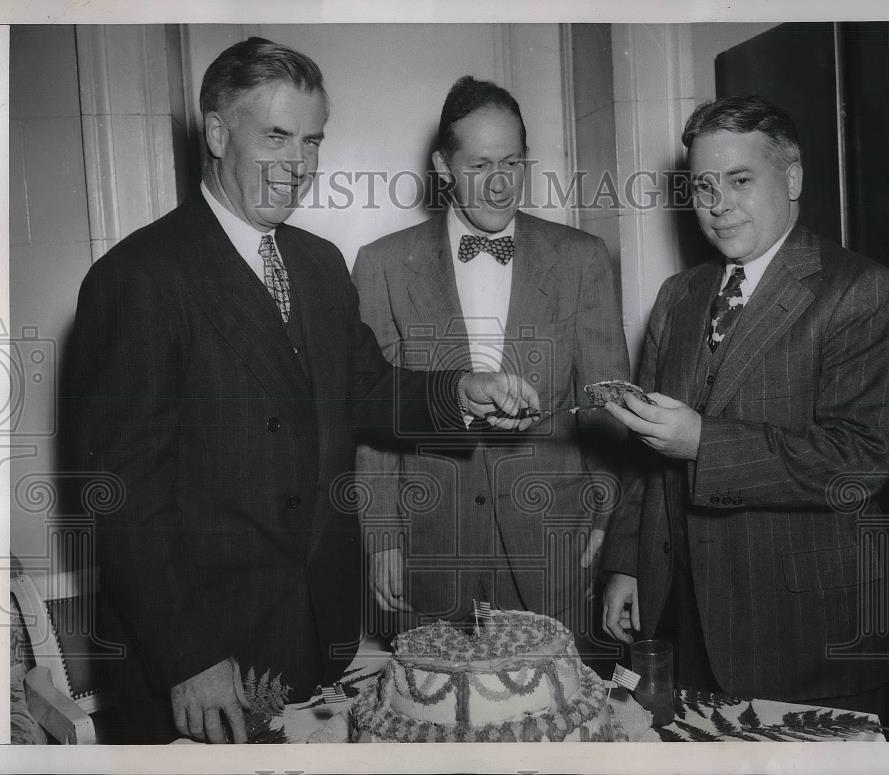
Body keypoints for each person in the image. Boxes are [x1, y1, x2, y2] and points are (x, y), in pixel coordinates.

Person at [63, 39, 538, 744]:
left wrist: (463, 391)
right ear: (218, 132)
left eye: (312, 140)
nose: (301, 164)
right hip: (203, 657)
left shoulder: (317, 264)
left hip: (313, 630)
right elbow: (119, 492)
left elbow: (369, 389)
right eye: (277, 136)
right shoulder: (137, 277)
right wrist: (188, 656)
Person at [600, 95, 889, 715]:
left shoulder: (860, 289)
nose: (717, 205)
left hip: (804, 632)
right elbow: (643, 449)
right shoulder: (678, 295)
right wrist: (627, 565)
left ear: (792, 178)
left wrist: (703, 444)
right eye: (702, 186)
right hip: (681, 616)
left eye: (740, 180)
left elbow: (857, 461)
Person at [352, 76, 629, 651]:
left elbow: (609, 403)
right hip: (430, 544)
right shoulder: (381, 265)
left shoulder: (581, 259)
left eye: (513, 163)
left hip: (554, 542)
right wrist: (381, 538)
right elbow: (373, 411)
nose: (501, 185)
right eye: (479, 166)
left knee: (548, 719)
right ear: (443, 167)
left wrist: (605, 520)